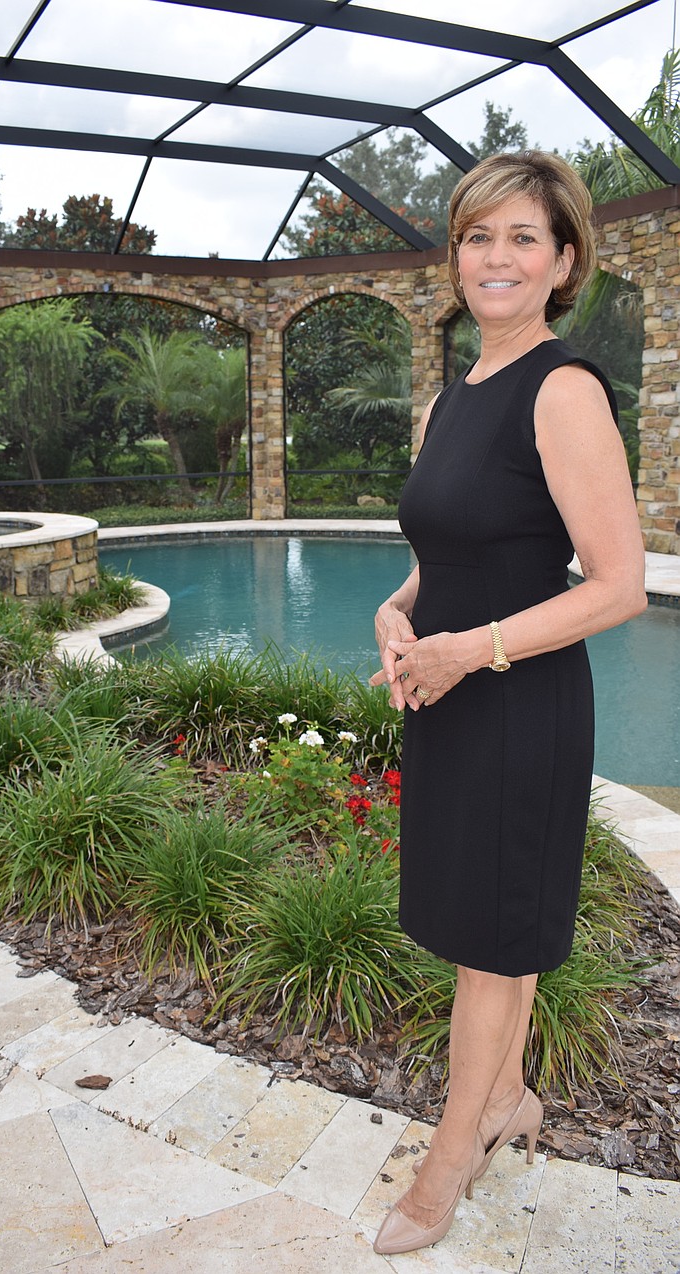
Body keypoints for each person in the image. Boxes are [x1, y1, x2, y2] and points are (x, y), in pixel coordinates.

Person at [370, 149, 647, 1257]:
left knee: (490, 942)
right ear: (455, 256)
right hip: (446, 690)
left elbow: (619, 584)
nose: (496, 256)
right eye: (477, 235)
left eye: (521, 237)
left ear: (561, 260)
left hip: (516, 705)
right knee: (491, 929)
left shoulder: (564, 388)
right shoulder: (448, 400)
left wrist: (466, 650)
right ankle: (509, 1098)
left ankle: (450, 1158)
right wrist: (397, 613)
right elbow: (443, 555)